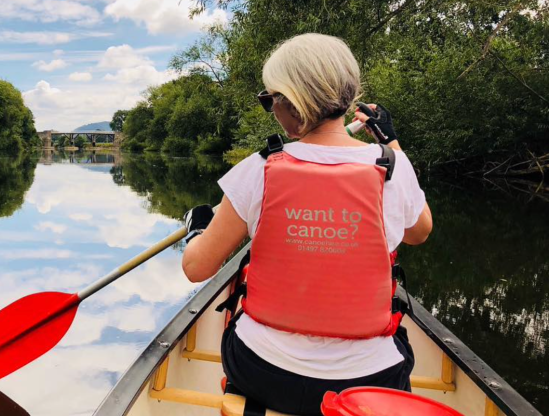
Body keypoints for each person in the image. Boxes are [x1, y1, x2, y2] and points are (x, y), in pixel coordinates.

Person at [181, 33, 433, 415]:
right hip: (369, 382)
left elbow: (196, 267)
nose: (272, 110)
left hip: (263, 372)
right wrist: (392, 143)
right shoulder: (391, 167)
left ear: (289, 101)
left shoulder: (259, 169)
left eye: (269, 100)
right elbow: (419, 232)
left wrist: (199, 228)